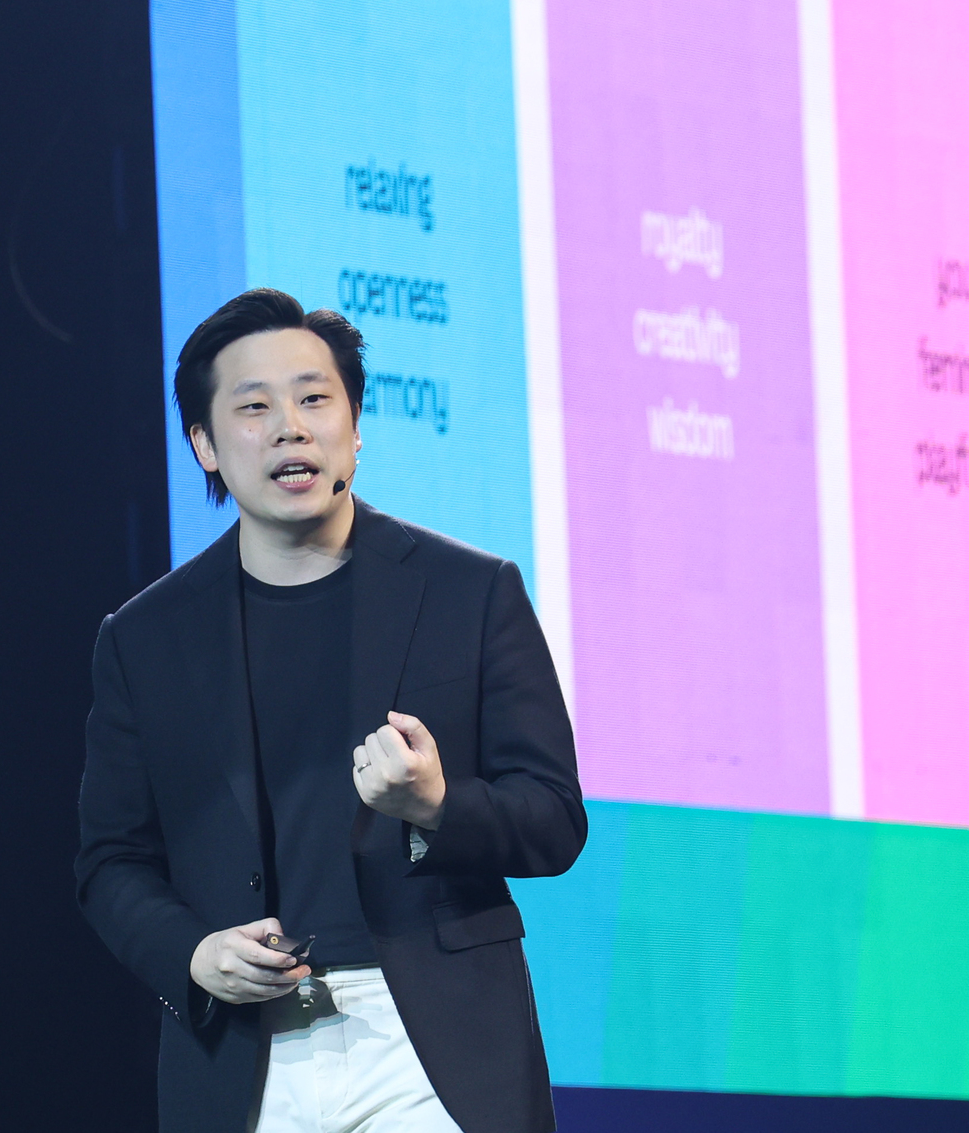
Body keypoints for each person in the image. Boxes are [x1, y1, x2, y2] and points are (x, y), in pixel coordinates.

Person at [75, 288, 586, 1133]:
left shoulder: (470, 592)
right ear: (205, 445)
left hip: (427, 1044)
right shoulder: (145, 637)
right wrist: (195, 953)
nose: (291, 427)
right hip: (242, 1051)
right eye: (254, 407)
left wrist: (436, 804)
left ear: (354, 428)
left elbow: (555, 817)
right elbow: (111, 861)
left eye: (315, 398)